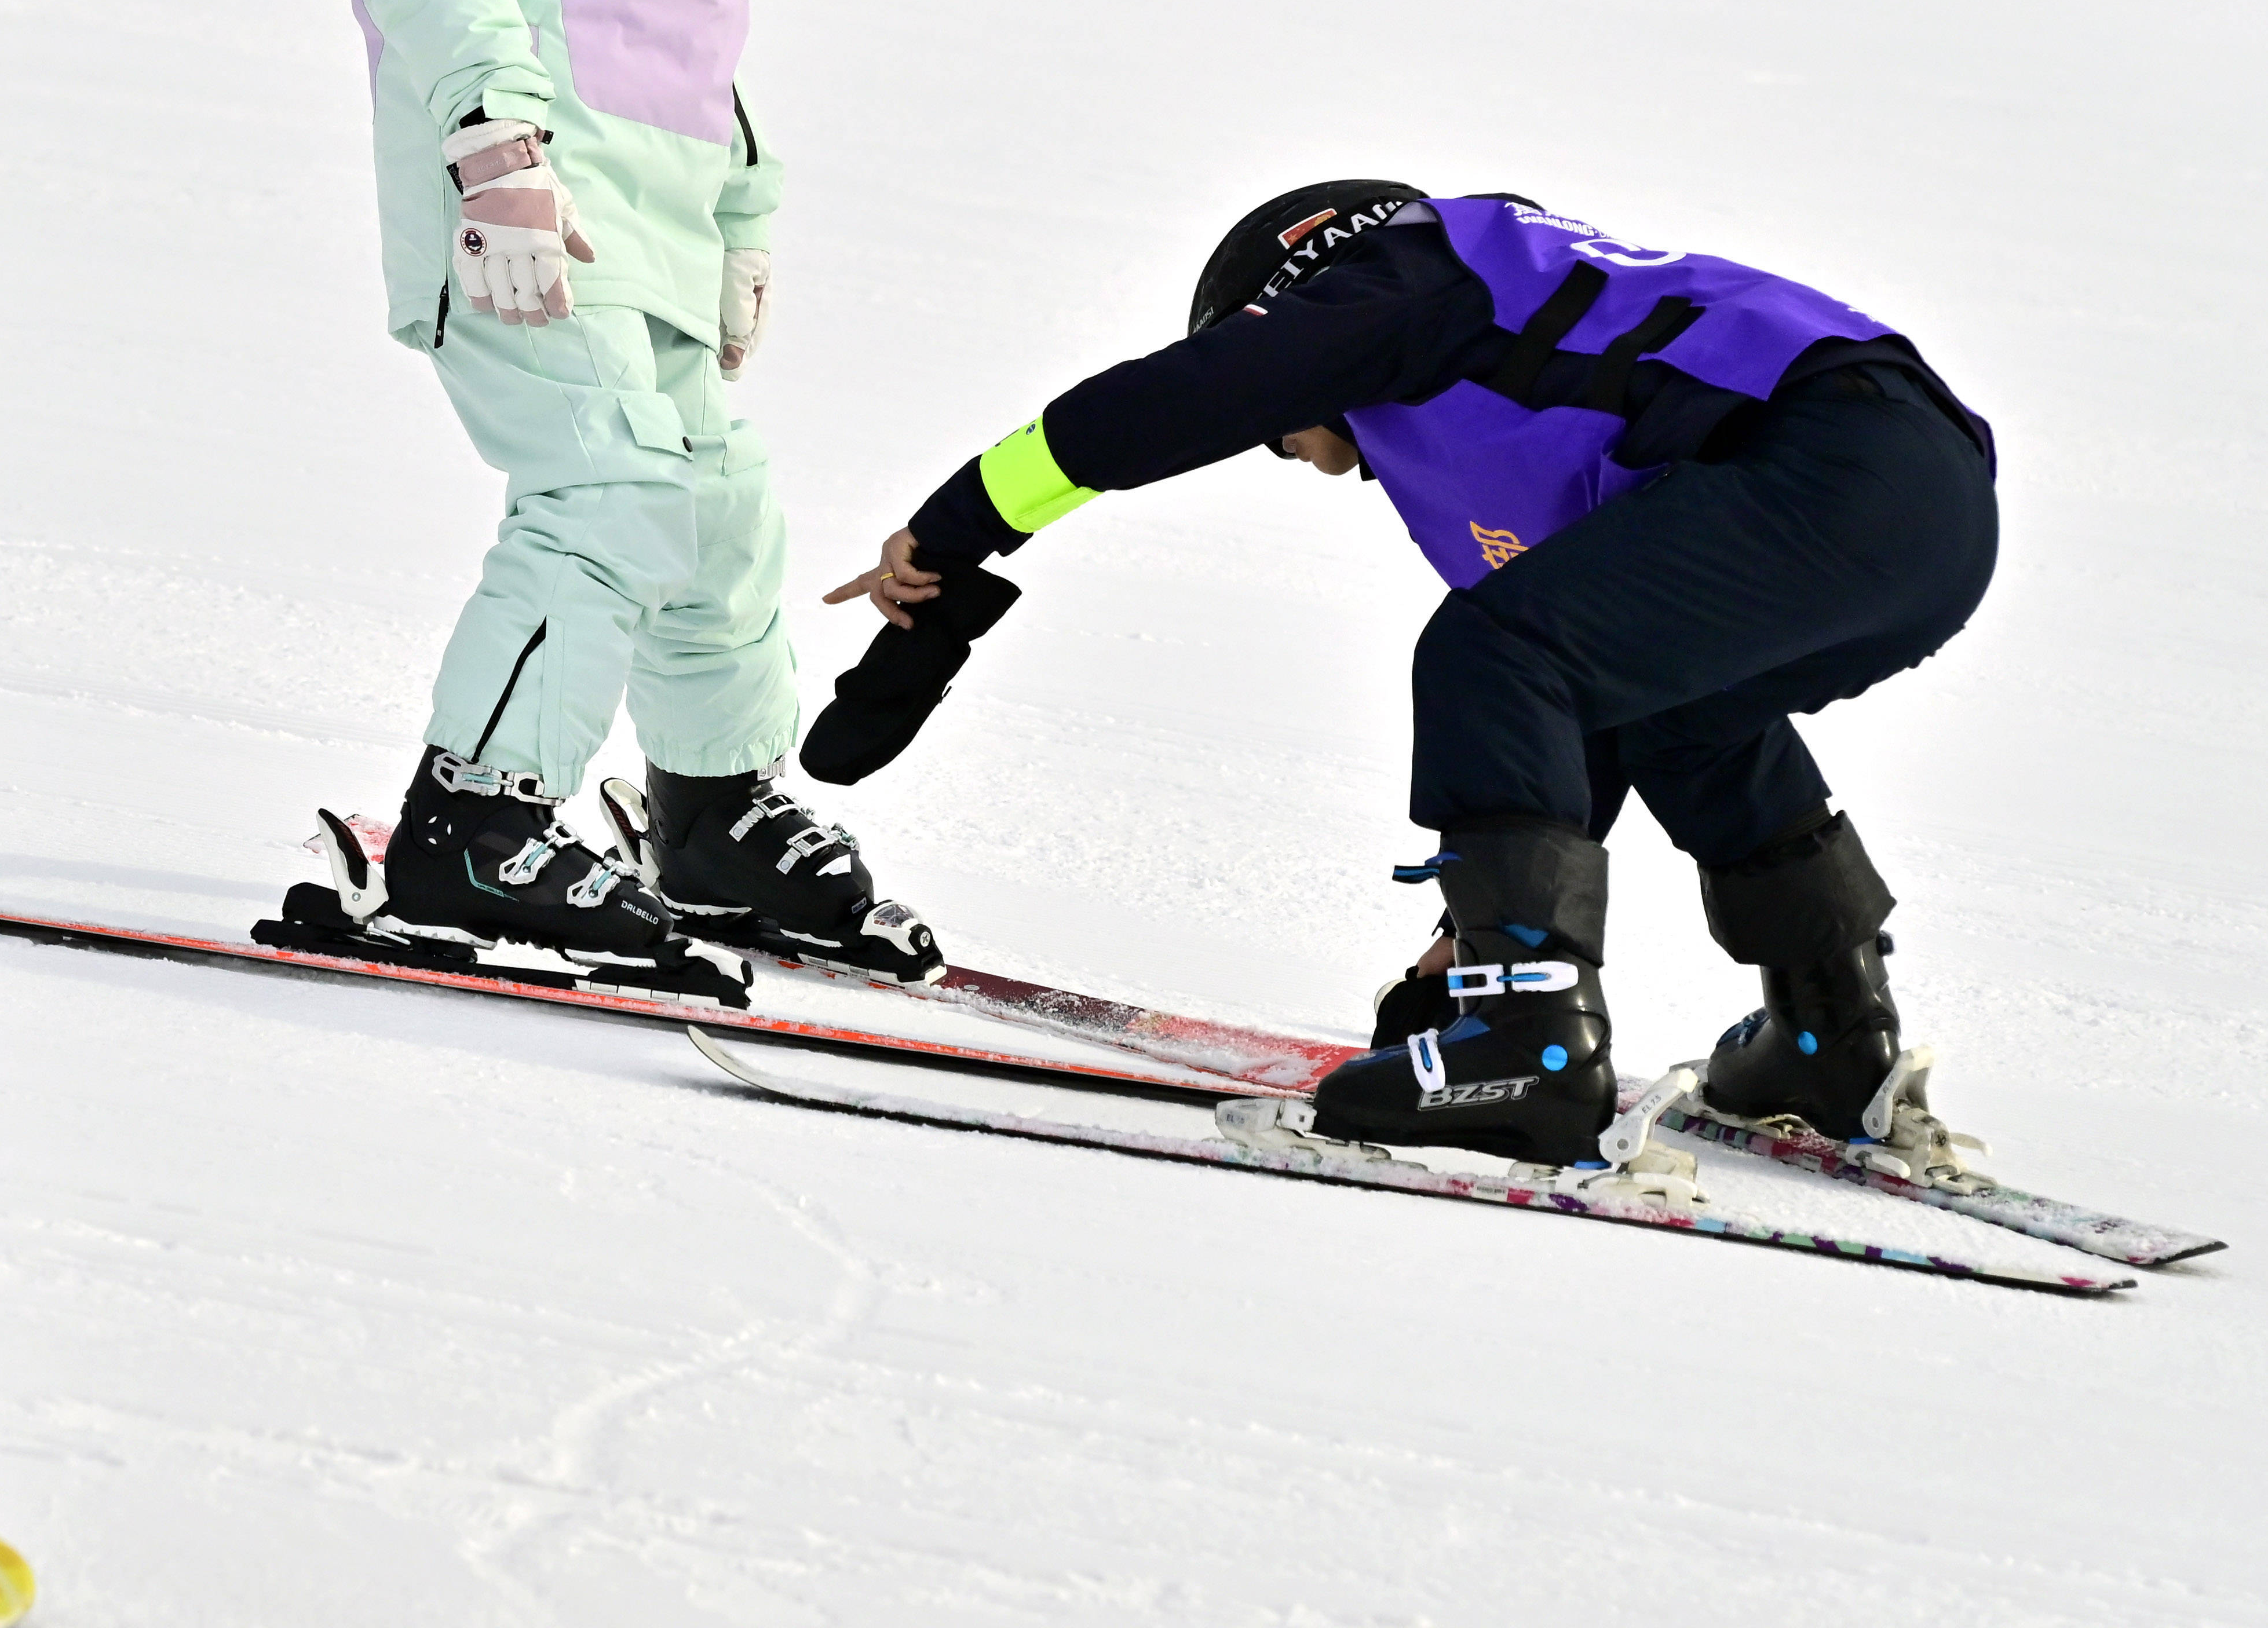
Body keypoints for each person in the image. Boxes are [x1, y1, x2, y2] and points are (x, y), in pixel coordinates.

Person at [824, 184, 1997, 1173]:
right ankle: (1828, 1038)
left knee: (1489, 647)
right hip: (1929, 501)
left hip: (1830, 461)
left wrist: (959, 522)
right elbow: (1572, 718)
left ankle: (1532, 1053)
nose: (1292, 455)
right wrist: (1467, 934)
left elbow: (1180, 400)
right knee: (1667, 707)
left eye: (1278, 430)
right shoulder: (1513, 324)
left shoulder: (1402, 275)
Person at [342, 0, 939, 987]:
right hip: (530, 201)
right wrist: (494, 147)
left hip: (652, 216)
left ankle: (713, 817)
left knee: (720, 519)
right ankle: (474, 825)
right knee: (606, 496)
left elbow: (682, 25)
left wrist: (742, 213)